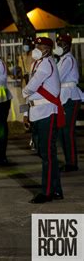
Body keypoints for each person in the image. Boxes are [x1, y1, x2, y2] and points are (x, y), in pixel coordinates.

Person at [23, 37, 64, 204]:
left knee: (47, 153)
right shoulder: (36, 64)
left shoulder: (47, 63)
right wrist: (26, 113)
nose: (36, 48)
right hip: (36, 111)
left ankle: (47, 192)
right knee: (44, 151)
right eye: (36, 45)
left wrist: (24, 91)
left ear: (47, 49)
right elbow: (31, 90)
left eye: (40, 46)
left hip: (47, 111)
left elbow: (32, 86)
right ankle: (56, 189)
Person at [55, 34, 81, 172]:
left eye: (62, 43)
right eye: (58, 43)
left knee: (68, 131)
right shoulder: (61, 60)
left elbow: (57, 77)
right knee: (61, 131)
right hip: (63, 97)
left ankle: (72, 163)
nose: (59, 45)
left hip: (71, 96)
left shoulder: (68, 59)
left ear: (68, 45)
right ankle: (68, 161)